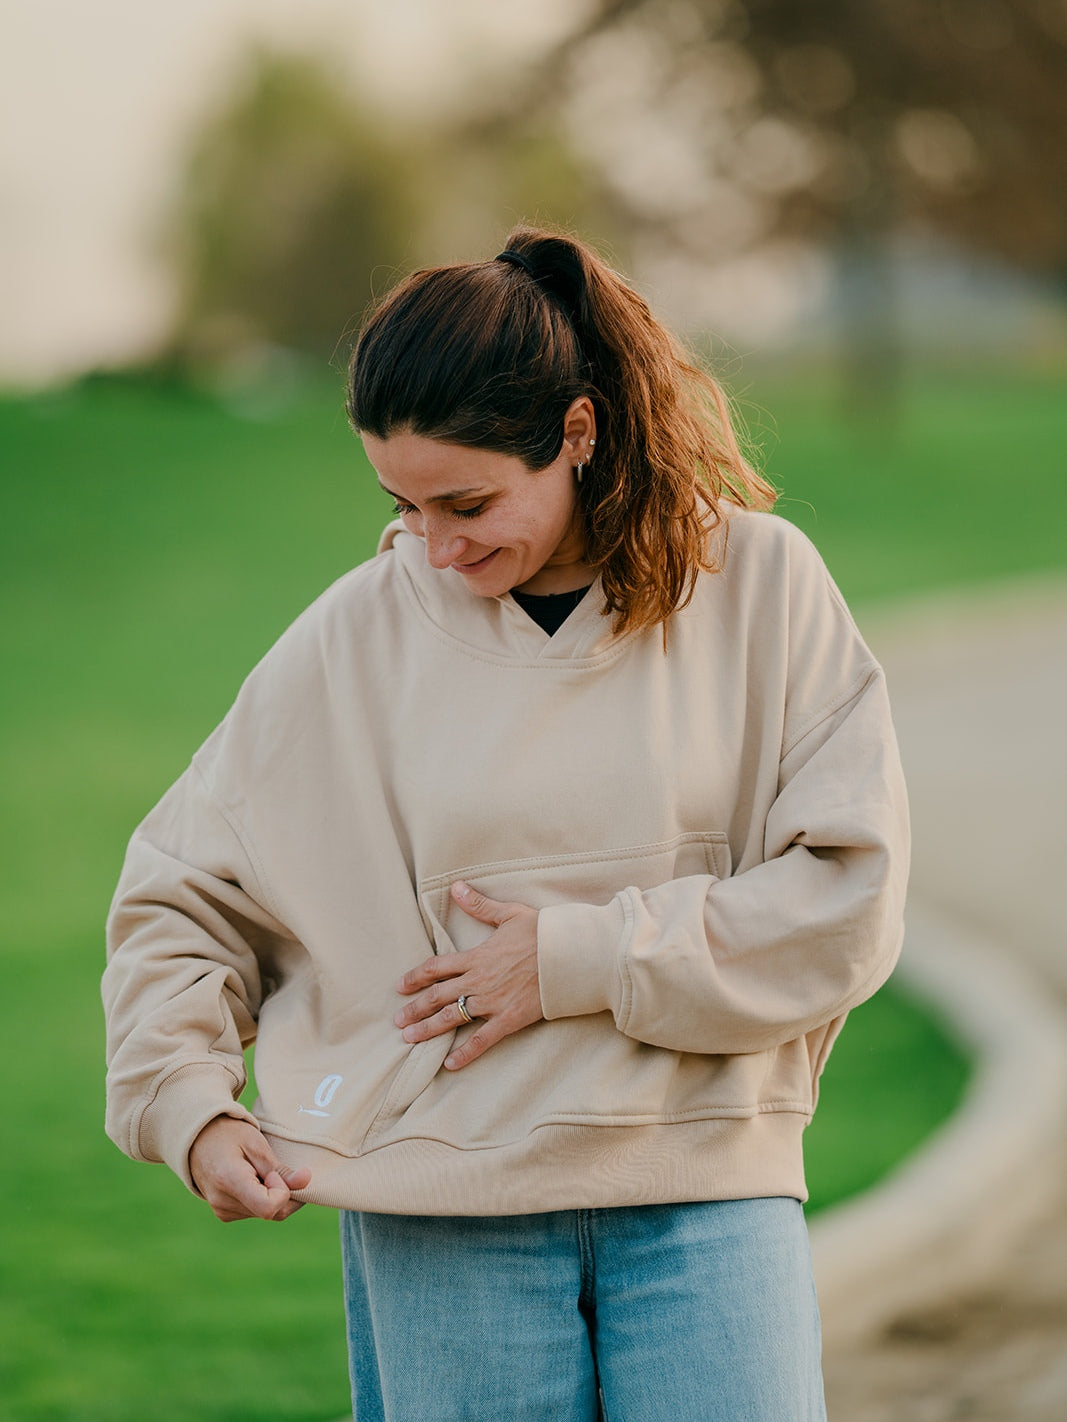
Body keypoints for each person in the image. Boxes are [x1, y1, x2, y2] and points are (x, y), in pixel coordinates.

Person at [104, 226, 909, 1421]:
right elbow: (182, 892)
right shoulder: (356, 637)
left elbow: (847, 901)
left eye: (467, 502)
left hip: (706, 1191)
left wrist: (572, 959)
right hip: (440, 1218)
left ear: (576, 431)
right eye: (402, 504)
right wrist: (189, 1104)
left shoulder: (764, 589)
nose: (434, 547)